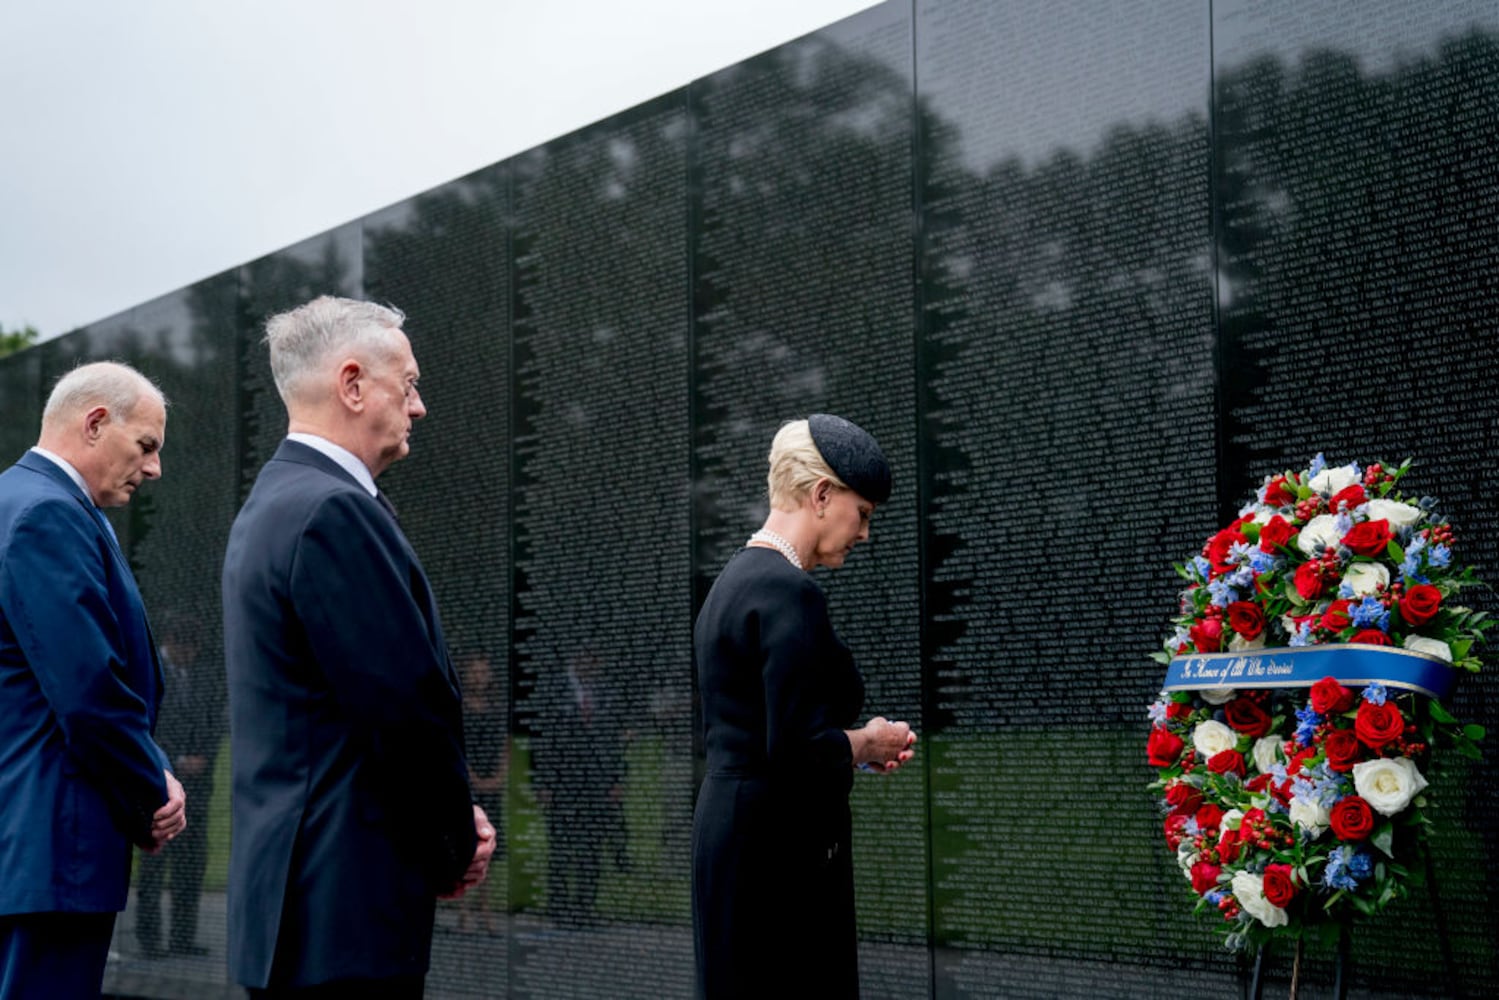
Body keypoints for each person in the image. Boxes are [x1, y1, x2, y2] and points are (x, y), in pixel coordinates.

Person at [222, 296, 495, 998]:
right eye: (407, 384)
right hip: (341, 916)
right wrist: (453, 841)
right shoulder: (332, 511)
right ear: (351, 385)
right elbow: (403, 706)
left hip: (305, 912)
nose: (420, 406)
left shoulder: (277, 501)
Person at [692, 414, 917, 999]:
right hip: (777, 857)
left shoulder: (733, 582)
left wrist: (850, 751)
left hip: (731, 837)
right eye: (861, 514)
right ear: (821, 495)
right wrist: (868, 741)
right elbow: (795, 749)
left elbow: (764, 732)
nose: (864, 534)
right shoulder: (789, 591)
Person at [0, 361, 187, 999]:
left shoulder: (13, 501)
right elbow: (86, 690)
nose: (154, 468)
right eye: (147, 445)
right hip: (54, 847)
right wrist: (151, 789)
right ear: (95, 422)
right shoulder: (47, 514)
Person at [134, 612, 224, 959]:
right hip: (159, 787)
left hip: (199, 789)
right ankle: (150, 939)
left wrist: (203, 756)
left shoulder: (201, 675)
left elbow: (213, 719)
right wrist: (172, 759)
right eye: (187, 651)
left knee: (192, 863)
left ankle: (182, 937)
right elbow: (144, 723)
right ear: (175, 644)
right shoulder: (150, 670)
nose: (191, 658)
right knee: (155, 867)